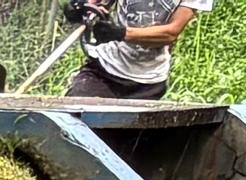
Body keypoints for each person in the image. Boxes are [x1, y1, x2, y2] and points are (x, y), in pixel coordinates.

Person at [75, 0, 209, 103]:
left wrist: (121, 33)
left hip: (148, 83)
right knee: (72, 120)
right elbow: (96, 3)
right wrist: (82, 7)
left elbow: (171, 33)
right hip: (104, 70)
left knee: (122, 138)